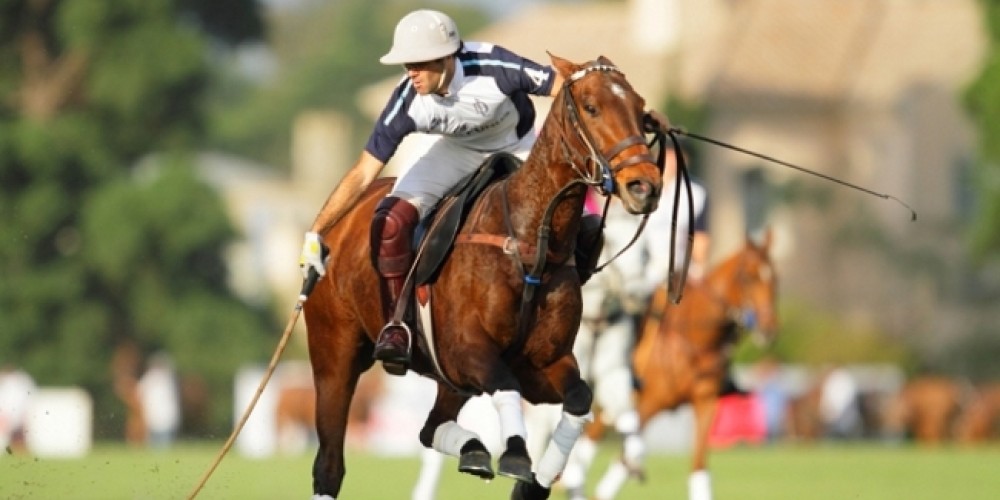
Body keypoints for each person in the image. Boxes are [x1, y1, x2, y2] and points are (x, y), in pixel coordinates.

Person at [298, 9, 669, 374]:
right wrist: (316, 231)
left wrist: (640, 117)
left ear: (447, 57)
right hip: (455, 152)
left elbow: (582, 95)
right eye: (406, 64)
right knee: (392, 221)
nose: (411, 73)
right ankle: (398, 326)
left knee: (586, 228)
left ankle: (554, 311)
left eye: (420, 63)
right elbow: (364, 173)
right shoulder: (406, 100)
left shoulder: (495, 66)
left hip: (518, 144)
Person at [137, 352, 181, 449]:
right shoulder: (165, 378)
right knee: (159, 446)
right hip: (156, 417)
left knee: (160, 446)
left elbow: (139, 392)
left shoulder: (162, 378)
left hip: (161, 417)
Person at [0, 363, 36, 453]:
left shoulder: (18, 382)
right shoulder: (19, 382)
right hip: (11, 415)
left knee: (19, 438)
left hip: (15, 415)